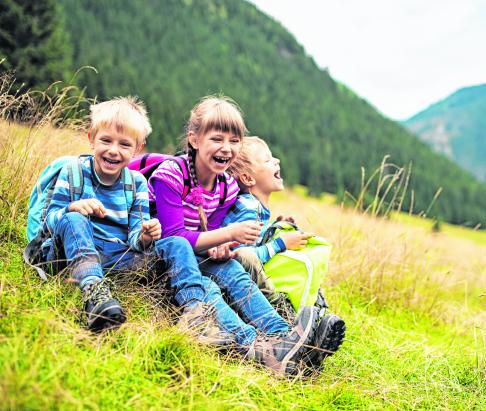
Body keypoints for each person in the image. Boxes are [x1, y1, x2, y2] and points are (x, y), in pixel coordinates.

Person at [40, 97, 235, 350]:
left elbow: (135, 237)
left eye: (124, 144)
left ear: (137, 148)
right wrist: (72, 207)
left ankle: (195, 313)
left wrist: (145, 236)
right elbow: (50, 222)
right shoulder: (74, 171)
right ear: (91, 138)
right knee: (74, 219)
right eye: (106, 140)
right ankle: (94, 293)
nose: (114, 150)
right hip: (72, 254)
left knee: (175, 242)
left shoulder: (136, 183)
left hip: (116, 257)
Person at [148, 95, 319, 376]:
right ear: (194, 139)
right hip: (161, 259)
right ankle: (256, 348)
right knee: (209, 287)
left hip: (193, 255)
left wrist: (221, 246)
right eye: (217, 139)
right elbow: (173, 237)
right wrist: (227, 234)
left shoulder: (226, 185)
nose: (226, 148)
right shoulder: (171, 174)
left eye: (234, 141)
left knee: (231, 268)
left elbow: (208, 234)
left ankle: (285, 338)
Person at [223, 136, 346, 372]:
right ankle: (297, 329)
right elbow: (241, 254)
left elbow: (254, 238)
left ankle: (308, 343)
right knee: (270, 283)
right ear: (248, 178)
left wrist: (274, 226)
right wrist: (281, 244)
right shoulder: (247, 207)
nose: (277, 160)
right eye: (268, 159)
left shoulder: (255, 207)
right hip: (239, 282)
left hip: (244, 281)